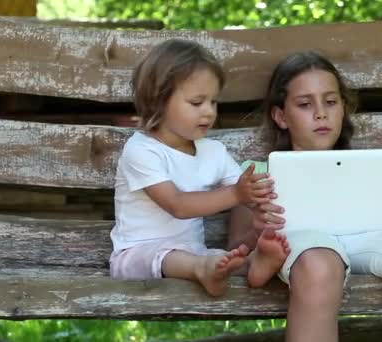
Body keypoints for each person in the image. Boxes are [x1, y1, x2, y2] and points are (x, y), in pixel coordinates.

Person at [229, 51, 382, 341]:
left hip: (368, 239)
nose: (321, 113)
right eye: (305, 104)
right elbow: (236, 248)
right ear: (281, 116)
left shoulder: (370, 169)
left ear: (342, 108)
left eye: (331, 102)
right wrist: (257, 231)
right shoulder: (257, 174)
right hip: (304, 247)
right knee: (319, 265)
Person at [109, 39, 290, 297]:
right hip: (136, 255)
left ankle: (254, 264)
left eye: (213, 102)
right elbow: (178, 205)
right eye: (197, 103)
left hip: (194, 253)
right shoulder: (141, 151)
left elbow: (247, 192)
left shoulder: (212, 151)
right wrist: (236, 195)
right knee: (174, 258)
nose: (208, 112)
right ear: (158, 102)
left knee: (220, 259)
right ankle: (203, 270)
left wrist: (262, 212)